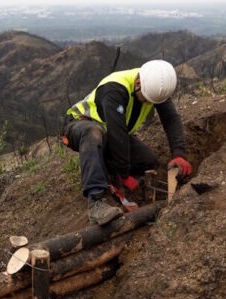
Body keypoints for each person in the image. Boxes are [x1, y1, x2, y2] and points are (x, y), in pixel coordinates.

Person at [62, 60, 193, 225]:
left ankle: (110, 174)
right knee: (93, 132)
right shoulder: (115, 89)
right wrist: (124, 174)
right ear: (138, 84)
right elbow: (117, 134)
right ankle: (96, 201)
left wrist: (179, 153)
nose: (148, 103)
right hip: (79, 126)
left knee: (148, 161)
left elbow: (171, 118)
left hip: (108, 131)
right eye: (146, 99)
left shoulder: (155, 87)